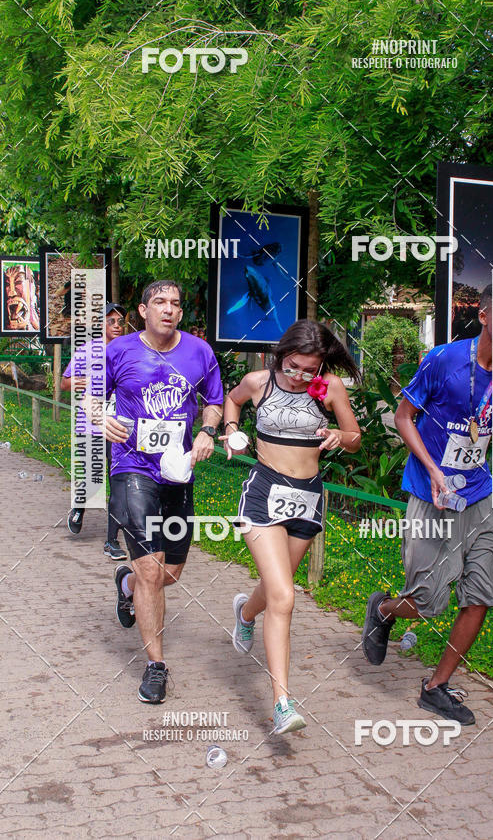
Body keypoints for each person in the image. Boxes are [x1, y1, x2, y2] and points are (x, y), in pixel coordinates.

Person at [362, 284, 493, 725]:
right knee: (428, 600)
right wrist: (433, 470)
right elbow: (402, 417)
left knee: (480, 596)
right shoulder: (445, 360)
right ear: (486, 317)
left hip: (478, 494)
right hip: (431, 492)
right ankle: (383, 609)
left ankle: (436, 687)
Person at [223, 320, 361, 734]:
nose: (300, 377)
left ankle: (245, 612)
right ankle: (282, 702)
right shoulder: (259, 381)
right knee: (284, 596)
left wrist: (341, 435)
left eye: (309, 370)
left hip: (307, 498)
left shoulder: (330, 387)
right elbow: (232, 402)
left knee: (274, 587)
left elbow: (356, 437)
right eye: (294, 366)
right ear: (281, 355)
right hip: (265, 493)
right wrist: (231, 431)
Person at [102, 280, 223, 704]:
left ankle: (126, 583)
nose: (168, 310)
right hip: (131, 466)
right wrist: (101, 419)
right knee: (152, 570)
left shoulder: (199, 352)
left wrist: (208, 430)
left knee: (169, 572)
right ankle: (156, 666)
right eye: (160, 302)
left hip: (177, 469)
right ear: (143, 310)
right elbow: (91, 397)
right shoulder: (118, 351)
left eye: (174, 304)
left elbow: (214, 401)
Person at [62, 302, 127, 559]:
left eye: (121, 320)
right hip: (91, 423)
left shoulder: (129, 350)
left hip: (119, 426)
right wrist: (84, 381)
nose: (117, 325)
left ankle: (112, 541)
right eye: (111, 321)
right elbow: (66, 383)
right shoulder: (87, 351)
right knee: (92, 478)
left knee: (118, 484)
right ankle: (80, 506)